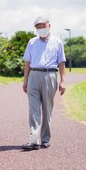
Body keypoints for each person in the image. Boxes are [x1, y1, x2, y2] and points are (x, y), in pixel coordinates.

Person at [21, 16, 66, 151]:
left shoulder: (57, 42)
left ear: (49, 25)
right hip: (33, 75)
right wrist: (25, 81)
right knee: (34, 109)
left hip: (50, 74)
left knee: (47, 109)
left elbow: (61, 62)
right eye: (38, 27)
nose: (40, 29)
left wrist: (63, 81)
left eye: (43, 26)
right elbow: (27, 62)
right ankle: (34, 140)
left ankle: (45, 139)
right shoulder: (32, 42)